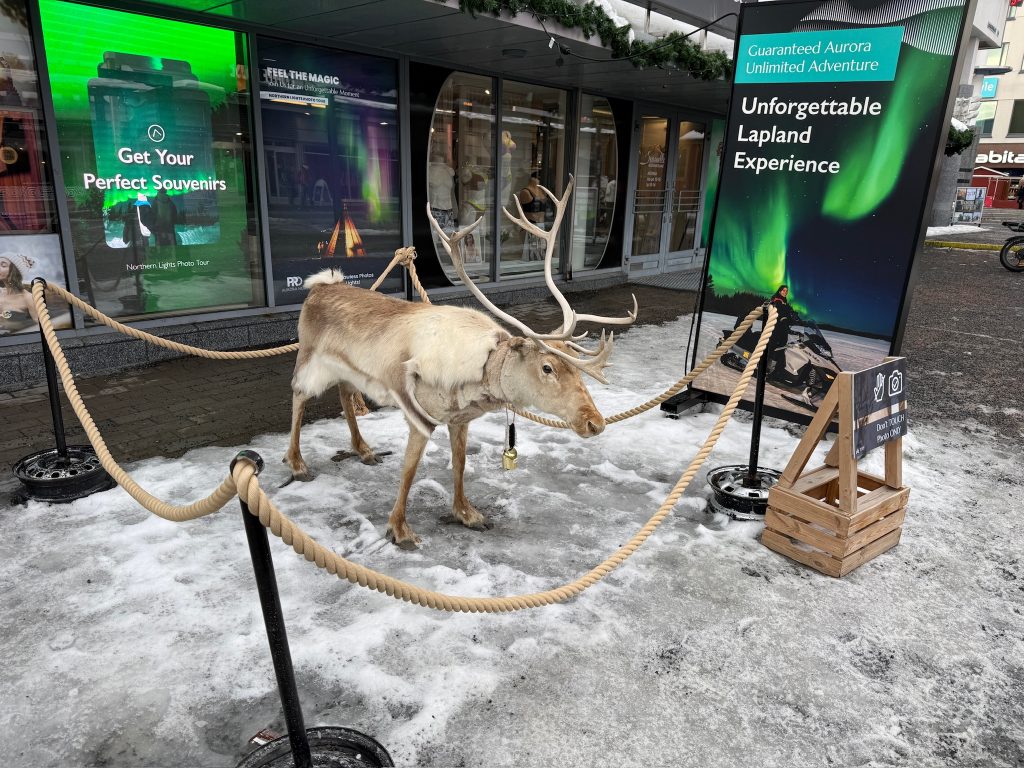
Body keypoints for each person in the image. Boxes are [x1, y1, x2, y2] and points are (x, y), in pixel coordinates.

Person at [0, 252, 38, 334]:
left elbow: (38, 327)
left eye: (3, 265)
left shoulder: (28, 298)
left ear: (14, 272)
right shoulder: (1, 292)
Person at [767, 284, 799, 378]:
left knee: (781, 348)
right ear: (780, 291)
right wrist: (783, 318)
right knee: (773, 348)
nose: (785, 292)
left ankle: (777, 368)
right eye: (784, 290)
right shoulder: (776, 300)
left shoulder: (784, 302)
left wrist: (796, 318)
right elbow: (779, 312)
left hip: (782, 329)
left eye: (786, 291)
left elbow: (788, 312)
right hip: (775, 329)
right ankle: (767, 368)